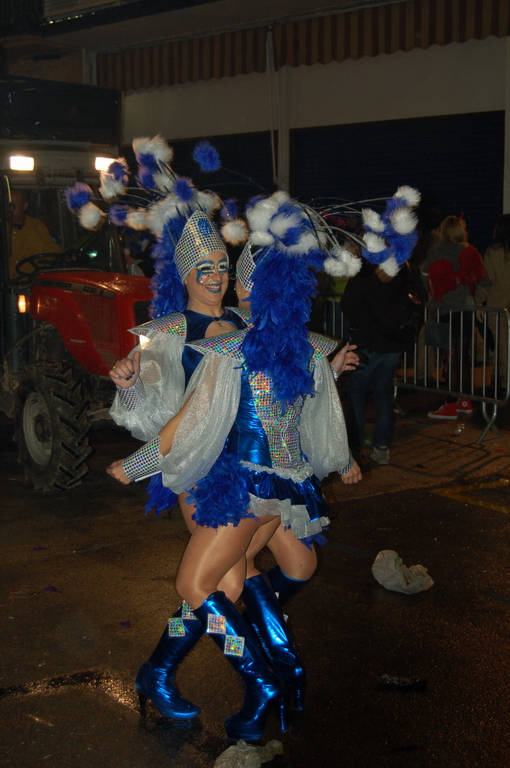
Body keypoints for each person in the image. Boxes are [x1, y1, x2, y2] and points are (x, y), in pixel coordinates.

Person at [107, 192, 362, 742]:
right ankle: (263, 669)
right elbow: (152, 405)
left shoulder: (242, 322)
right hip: (202, 468)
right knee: (216, 582)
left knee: (261, 574)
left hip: (257, 466)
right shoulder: (167, 331)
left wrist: (331, 363)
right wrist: (130, 385)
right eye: (206, 268)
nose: (218, 275)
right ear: (186, 274)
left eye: (224, 265)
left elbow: (285, 366)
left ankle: (172, 670)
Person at [340, 260, 422, 465]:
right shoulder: (407, 268)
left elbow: (348, 304)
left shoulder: (367, 270)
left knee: (357, 391)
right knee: (383, 390)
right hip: (396, 340)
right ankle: (382, 447)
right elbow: (420, 297)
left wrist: (363, 321)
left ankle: (355, 447)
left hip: (371, 340)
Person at [422, 215, 490, 420]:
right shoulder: (470, 251)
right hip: (467, 309)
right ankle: (465, 400)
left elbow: (425, 281)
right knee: (463, 355)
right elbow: (485, 280)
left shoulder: (436, 253)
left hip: (445, 310)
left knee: (449, 358)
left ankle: (450, 404)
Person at [476, 214, 510, 391]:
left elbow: (487, 280)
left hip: (497, 305)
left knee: (501, 346)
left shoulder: (494, 250)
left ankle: (503, 382)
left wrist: (479, 302)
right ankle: (499, 378)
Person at [8, 189, 62, 279]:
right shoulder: (2, 229)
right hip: (5, 286)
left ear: (25, 206)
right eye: (5, 206)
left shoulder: (37, 227)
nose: (8, 210)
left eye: (11, 206)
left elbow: (53, 254)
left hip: (32, 283)